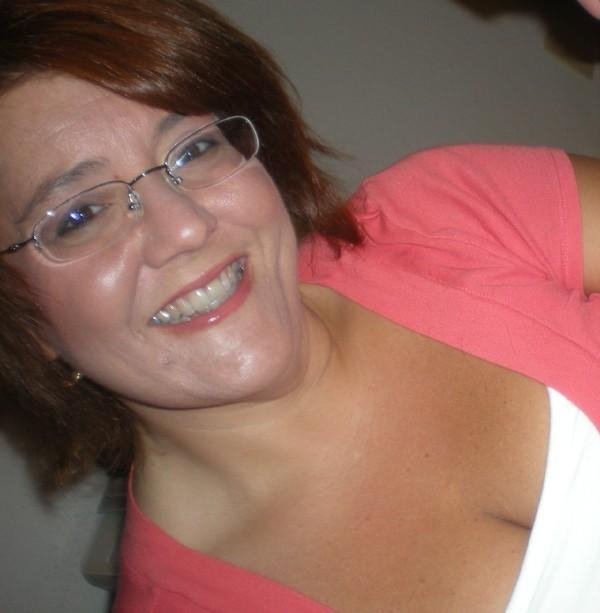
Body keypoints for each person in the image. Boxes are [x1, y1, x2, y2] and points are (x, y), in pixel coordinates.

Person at [1, 1, 600, 611]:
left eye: (193, 149)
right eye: (80, 216)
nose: (185, 227)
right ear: (21, 319)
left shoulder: (444, 215)